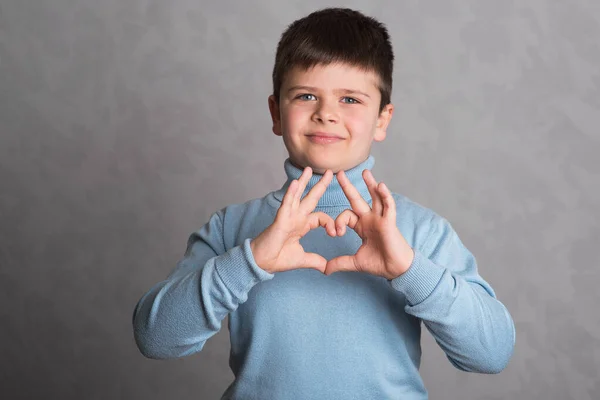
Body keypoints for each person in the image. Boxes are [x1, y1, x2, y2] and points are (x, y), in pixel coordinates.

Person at [132, 7, 515, 399]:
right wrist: (250, 262)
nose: (326, 114)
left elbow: (491, 353)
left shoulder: (420, 230)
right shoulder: (232, 228)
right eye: (306, 95)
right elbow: (155, 338)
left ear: (382, 120)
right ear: (276, 113)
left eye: (350, 99)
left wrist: (409, 269)